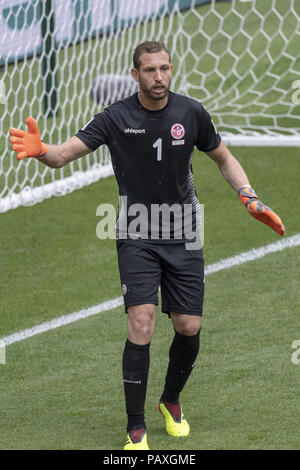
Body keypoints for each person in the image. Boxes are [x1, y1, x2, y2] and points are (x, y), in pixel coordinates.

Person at [9, 41, 285, 450]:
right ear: (135, 74)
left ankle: (170, 400)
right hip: (136, 231)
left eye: (165, 69)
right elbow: (64, 155)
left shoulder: (190, 113)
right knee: (141, 321)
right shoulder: (116, 117)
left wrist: (249, 196)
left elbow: (224, 158)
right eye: (150, 70)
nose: (159, 77)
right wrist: (41, 152)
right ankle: (135, 428)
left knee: (188, 326)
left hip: (184, 229)